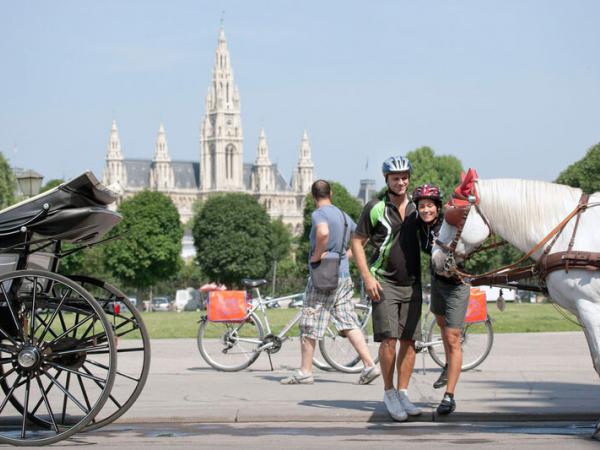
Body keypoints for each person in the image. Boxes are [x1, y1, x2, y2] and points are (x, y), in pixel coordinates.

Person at [281, 179, 380, 385]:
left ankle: (305, 371)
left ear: (312, 196)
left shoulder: (319, 214)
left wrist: (317, 255)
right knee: (347, 321)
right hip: (343, 275)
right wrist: (349, 254)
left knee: (310, 320)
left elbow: (323, 233)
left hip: (322, 276)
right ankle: (369, 365)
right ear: (331, 193)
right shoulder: (344, 216)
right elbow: (363, 237)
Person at [351, 156, 422, 422]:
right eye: (396, 178)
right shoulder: (375, 208)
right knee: (389, 340)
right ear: (387, 180)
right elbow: (357, 241)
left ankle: (403, 392)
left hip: (413, 282)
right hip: (384, 282)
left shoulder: (418, 208)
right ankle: (389, 392)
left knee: (410, 341)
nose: (401, 182)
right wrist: (367, 277)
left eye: (405, 177)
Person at [413, 183, 471, 415]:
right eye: (422, 206)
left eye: (430, 206)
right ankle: (448, 364)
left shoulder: (449, 224)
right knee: (441, 325)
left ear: (438, 208)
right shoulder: (420, 226)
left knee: (452, 337)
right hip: (437, 281)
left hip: (457, 285)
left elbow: (466, 217)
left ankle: (449, 396)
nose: (426, 210)